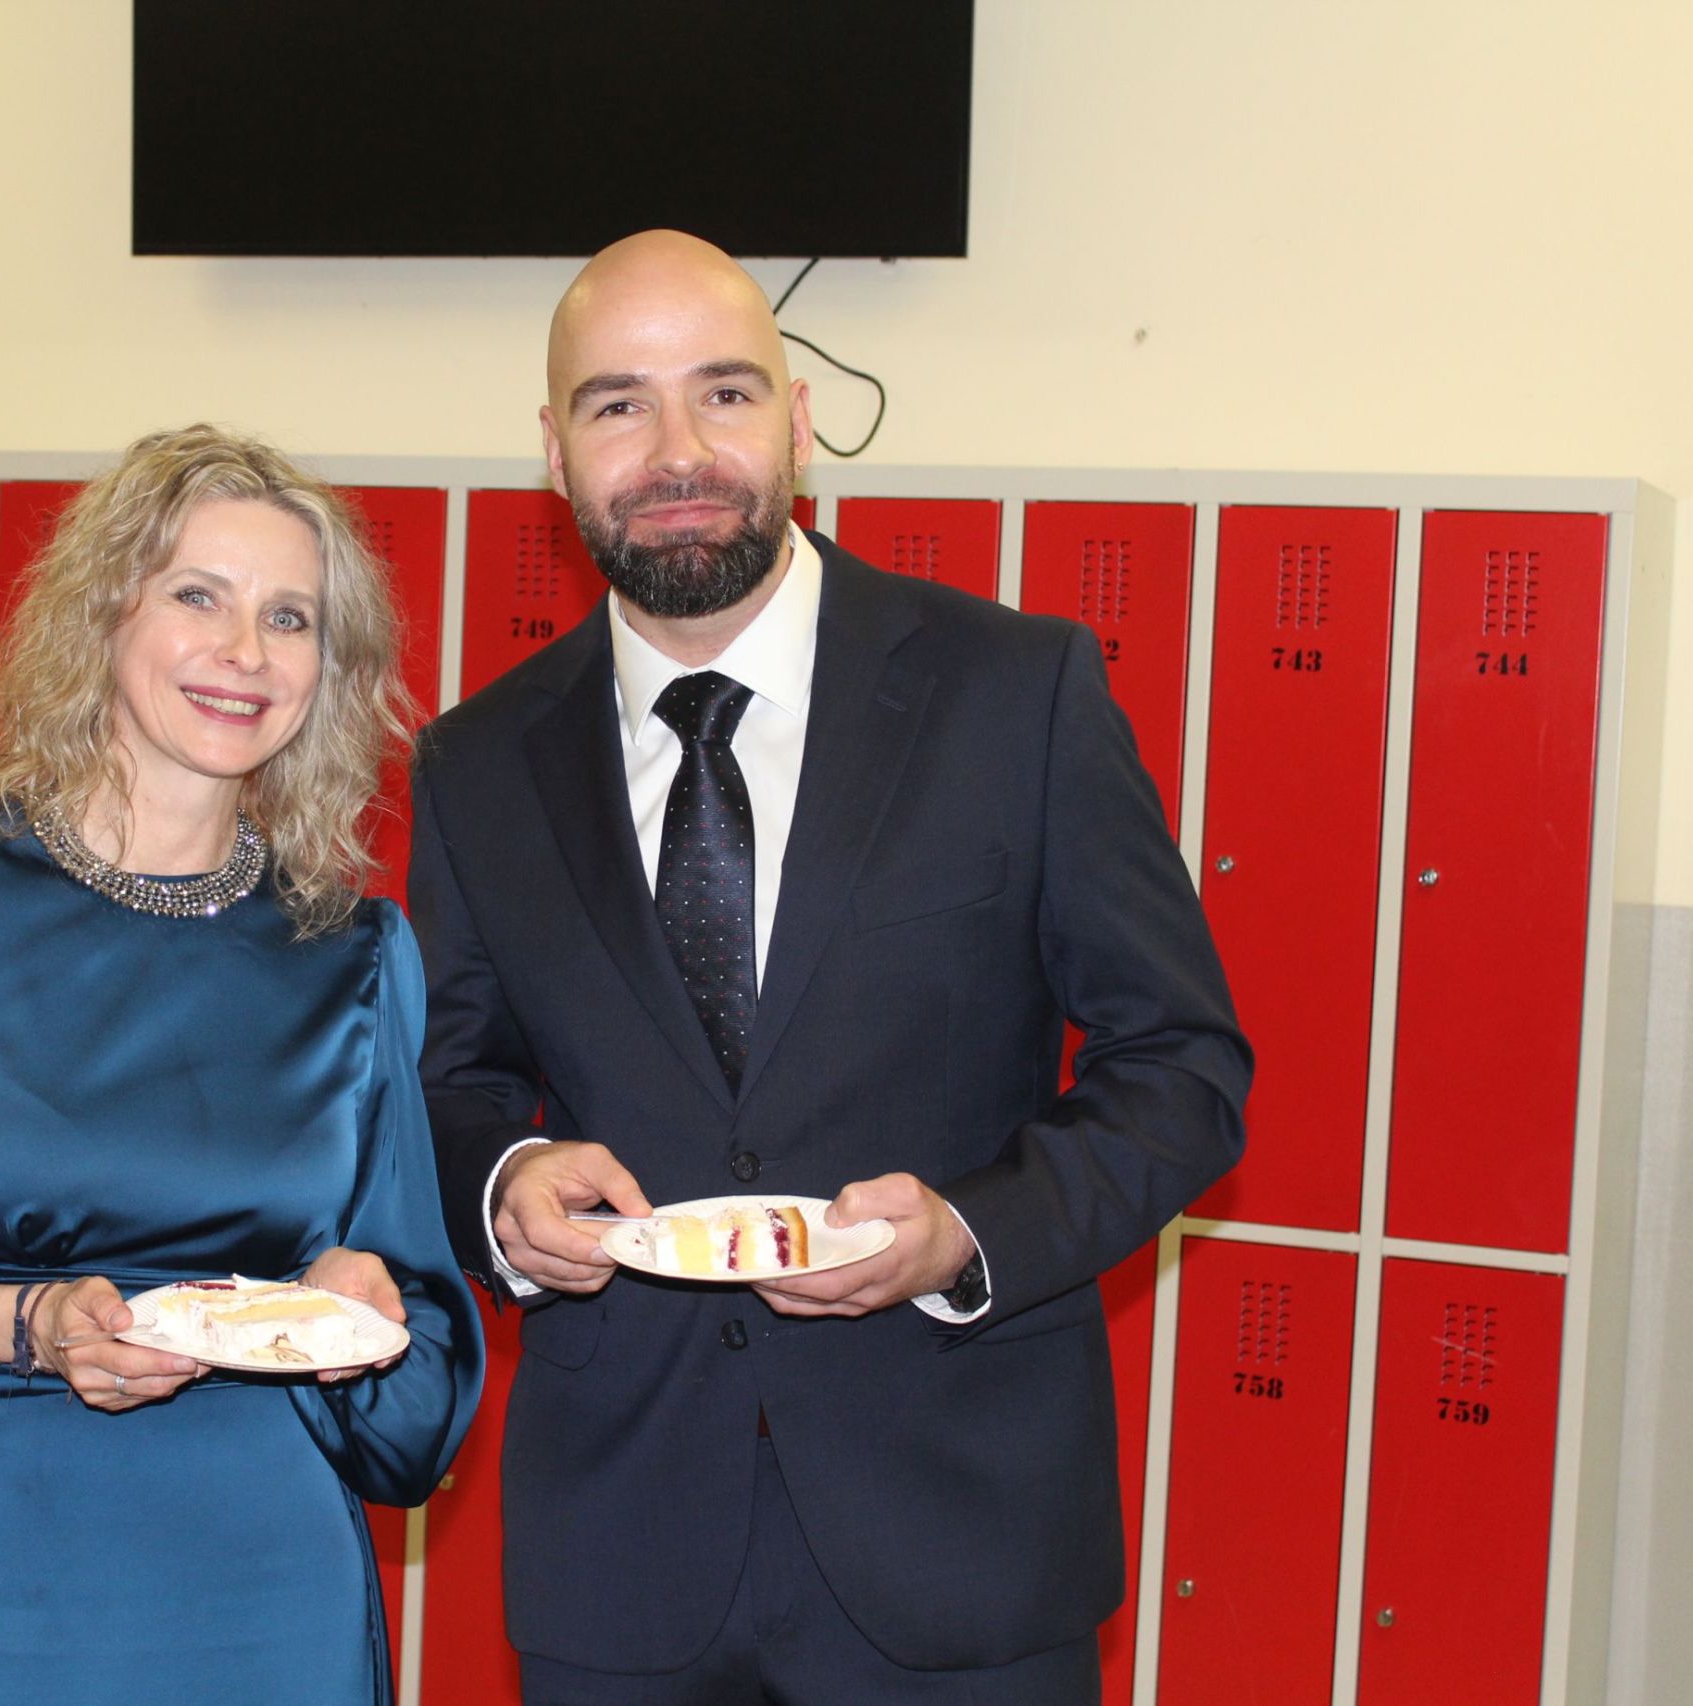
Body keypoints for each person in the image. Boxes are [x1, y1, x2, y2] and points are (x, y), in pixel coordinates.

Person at [408, 230, 1251, 1704]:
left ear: (798, 420)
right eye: (619, 404)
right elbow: (445, 1079)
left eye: (724, 392)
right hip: (621, 1556)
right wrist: (505, 1181)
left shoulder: (1017, 693)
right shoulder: (478, 760)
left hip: (961, 1546)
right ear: (554, 451)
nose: (677, 449)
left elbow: (1182, 1068)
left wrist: (965, 1233)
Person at [0, 423, 483, 1706]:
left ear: (327, 670)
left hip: (261, 1573)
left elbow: (425, 1346)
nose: (245, 650)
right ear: (105, 613)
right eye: (198, 596)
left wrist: (367, 1309)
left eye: (289, 617)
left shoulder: (349, 953)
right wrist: (20, 1322)